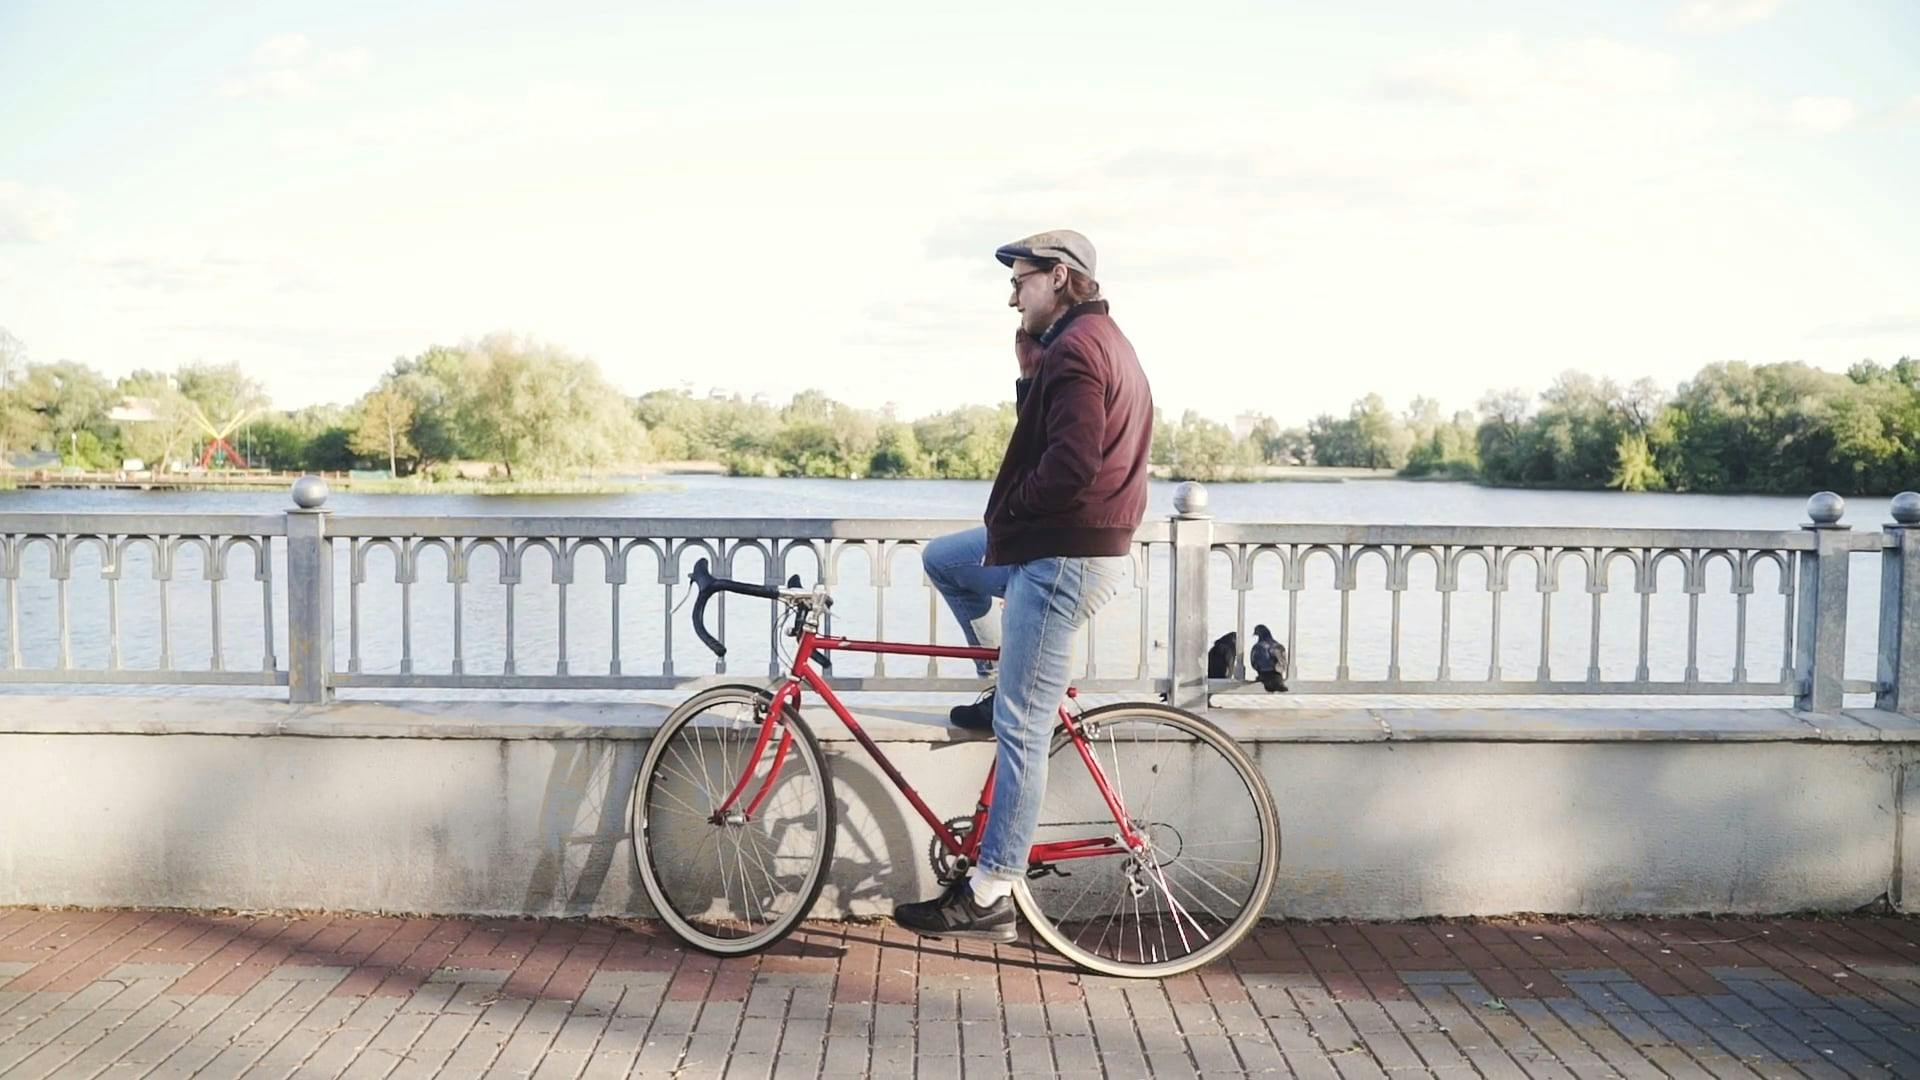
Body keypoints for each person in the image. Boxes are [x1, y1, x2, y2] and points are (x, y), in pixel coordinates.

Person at [893, 229, 1155, 941]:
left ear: (1062, 278)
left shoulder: (1078, 351)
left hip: (1063, 555)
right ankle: (998, 676)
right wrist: (1026, 371)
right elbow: (1056, 438)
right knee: (948, 560)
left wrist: (1010, 512)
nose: (1012, 293)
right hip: (1061, 545)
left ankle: (989, 891)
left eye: (1022, 279)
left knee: (1021, 729)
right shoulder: (1085, 345)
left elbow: (1068, 468)